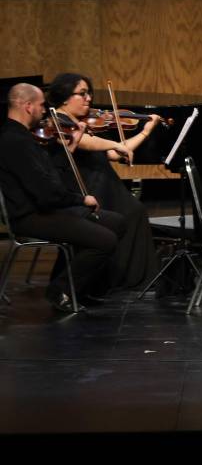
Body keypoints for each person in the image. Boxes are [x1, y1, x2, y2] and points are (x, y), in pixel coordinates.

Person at [0, 83, 122, 312]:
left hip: (43, 208)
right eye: (41, 106)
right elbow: (46, 193)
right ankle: (60, 289)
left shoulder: (24, 138)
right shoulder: (14, 142)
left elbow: (51, 177)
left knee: (116, 222)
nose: (45, 111)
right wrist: (80, 200)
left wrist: (73, 144)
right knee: (105, 240)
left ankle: (82, 288)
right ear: (27, 107)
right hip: (30, 215)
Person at [44, 73, 162, 291]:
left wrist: (145, 132)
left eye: (89, 93)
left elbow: (114, 154)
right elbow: (86, 144)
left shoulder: (81, 123)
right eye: (82, 93)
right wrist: (116, 145)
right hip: (83, 189)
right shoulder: (57, 122)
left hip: (103, 183)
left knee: (135, 211)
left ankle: (129, 278)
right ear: (64, 97)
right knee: (129, 213)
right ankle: (113, 278)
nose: (89, 98)